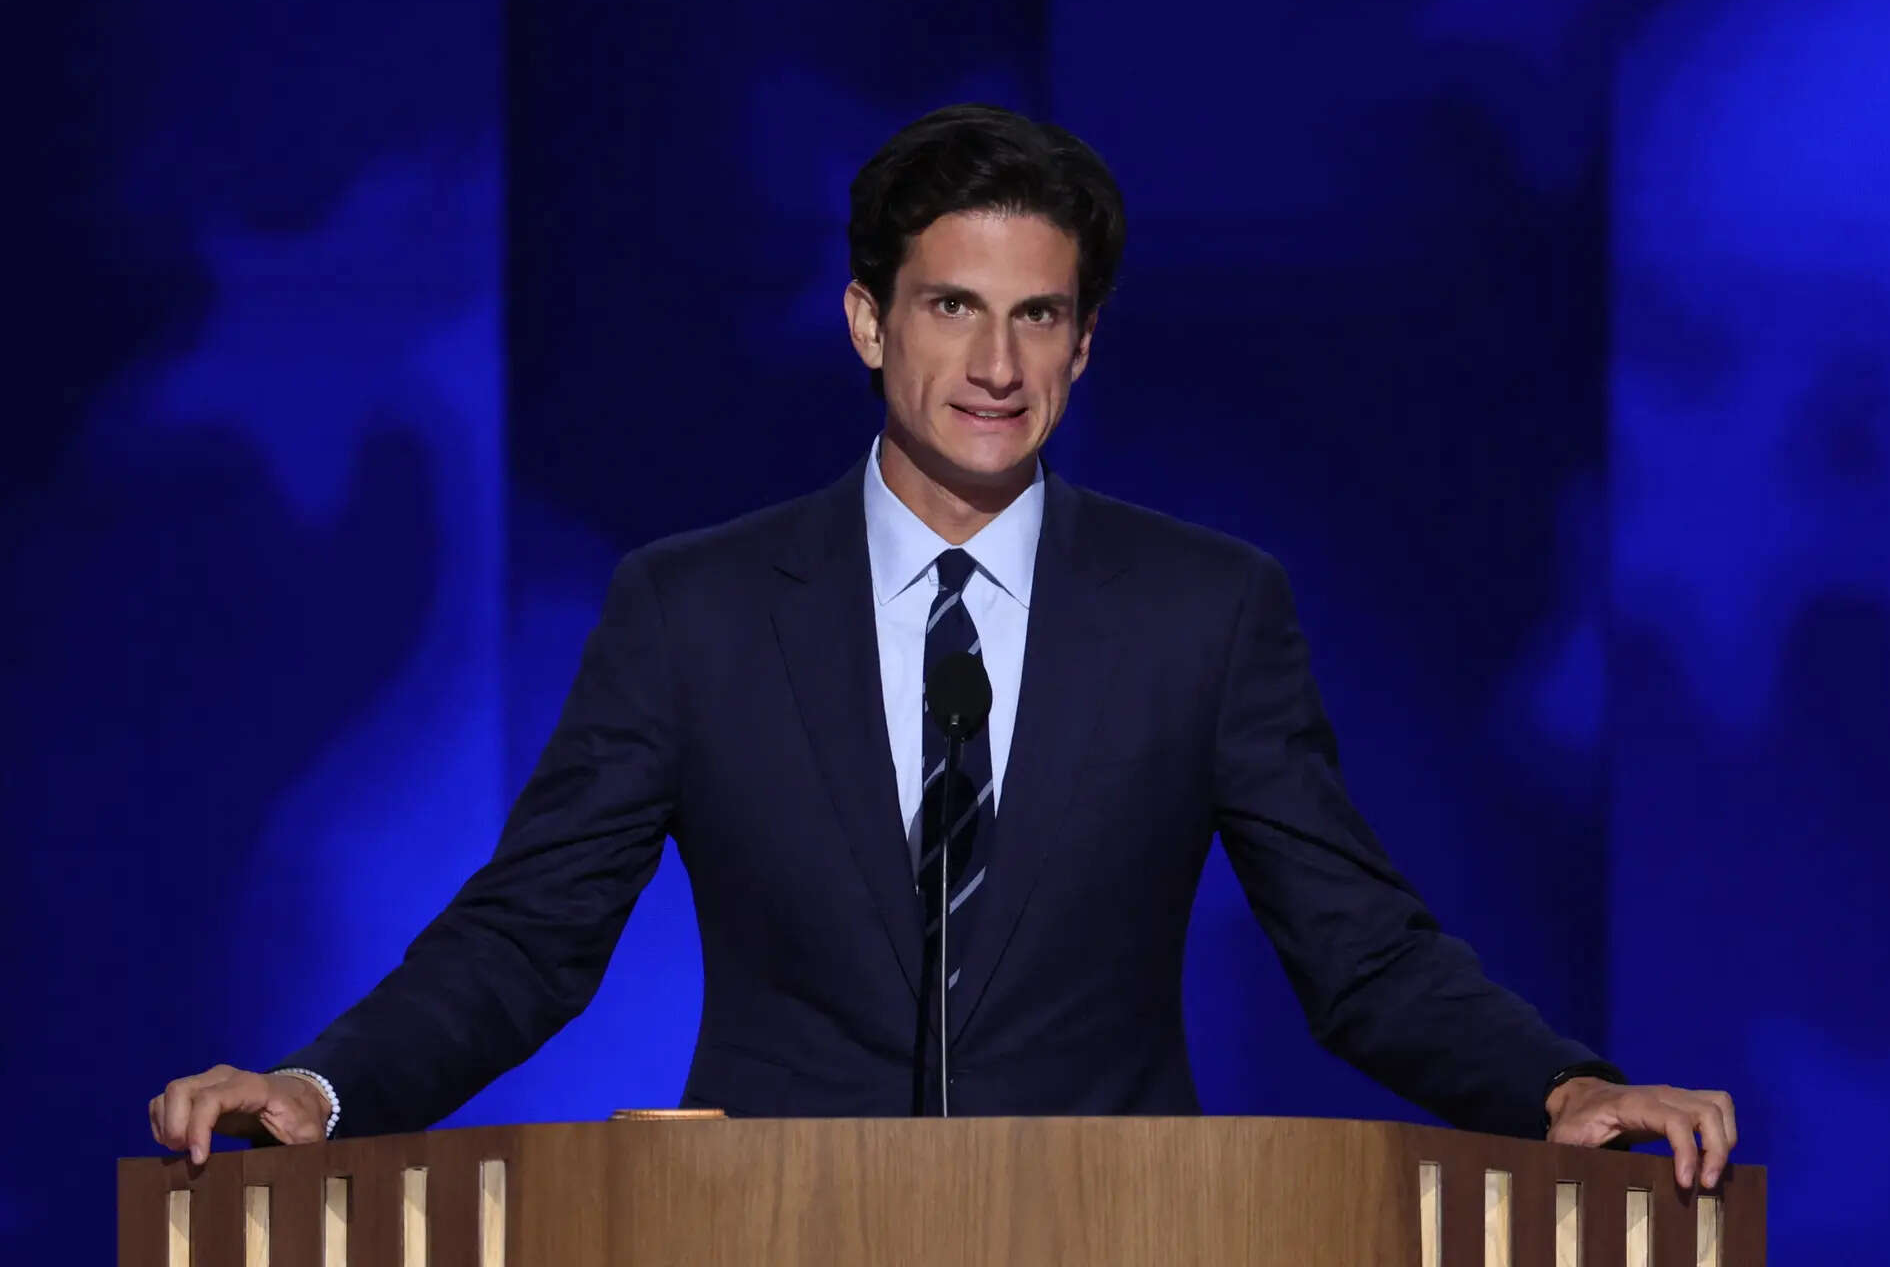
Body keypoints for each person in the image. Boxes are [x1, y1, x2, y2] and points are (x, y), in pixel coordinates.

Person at [150, 104, 1736, 1188]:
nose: (994, 362)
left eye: (1038, 316)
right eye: (951, 307)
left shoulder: (1209, 609)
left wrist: (1562, 1091)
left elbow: (1362, 951)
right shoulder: (692, 608)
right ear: (866, 321)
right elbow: (528, 937)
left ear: (1086, 342)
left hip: (1122, 1239)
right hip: (765, 1241)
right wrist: (322, 1089)